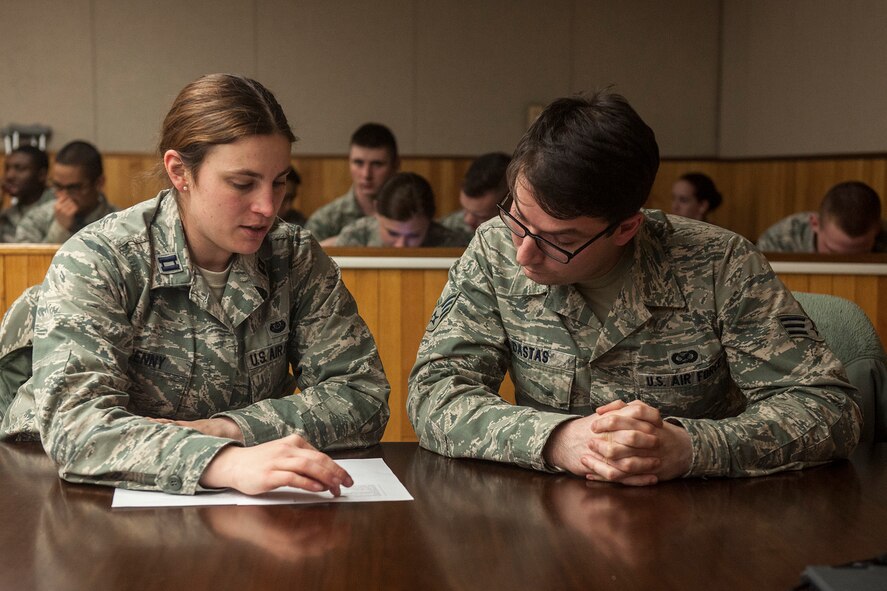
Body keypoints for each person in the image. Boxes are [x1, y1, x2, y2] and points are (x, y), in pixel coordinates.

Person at [407, 91, 861, 486]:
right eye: (518, 220)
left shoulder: (720, 264)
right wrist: (557, 440)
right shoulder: (493, 249)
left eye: (559, 241)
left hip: (702, 516)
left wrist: (690, 448)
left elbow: (828, 409)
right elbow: (434, 392)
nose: (524, 253)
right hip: (543, 513)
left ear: (626, 228)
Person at [0, 73, 390, 496]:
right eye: (242, 184)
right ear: (179, 172)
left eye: (278, 181)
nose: (266, 206)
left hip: (242, 500)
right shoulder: (101, 259)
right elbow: (76, 428)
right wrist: (222, 460)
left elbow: (362, 394)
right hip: (70, 492)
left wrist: (229, 429)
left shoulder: (293, 257)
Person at [305, 123, 399, 242]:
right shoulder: (325, 221)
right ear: (349, 162)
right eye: (358, 163)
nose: (366, 174)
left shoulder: (412, 219)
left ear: (395, 165)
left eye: (377, 164)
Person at [14, 140, 117, 243]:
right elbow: (28, 258)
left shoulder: (119, 222)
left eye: (73, 188)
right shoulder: (36, 219)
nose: (63, 196)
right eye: (57, 186)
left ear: (99, 183)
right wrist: (59, 230)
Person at [335, 172, 469, 248]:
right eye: (392, 233)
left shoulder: (451, 245)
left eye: (414, 236)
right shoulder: (355, 238)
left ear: (430, 220)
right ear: (376, 211)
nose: (401, 245)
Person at [757, 181, 887, 253]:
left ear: (877, 229)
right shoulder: (779, 242)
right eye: (833, 252)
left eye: (861, 254)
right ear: (815, 224)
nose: (846, 264)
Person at [439, 152, 511, 241]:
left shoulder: (519, 234)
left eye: (481, 216)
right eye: (465, 209)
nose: (467, 220)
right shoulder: (449, 226)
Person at [0, 145, 54, 242]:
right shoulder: (8, 214)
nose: (9, 176)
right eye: (7, 168)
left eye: (19, 169)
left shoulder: (58, 208)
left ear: (41, 175)